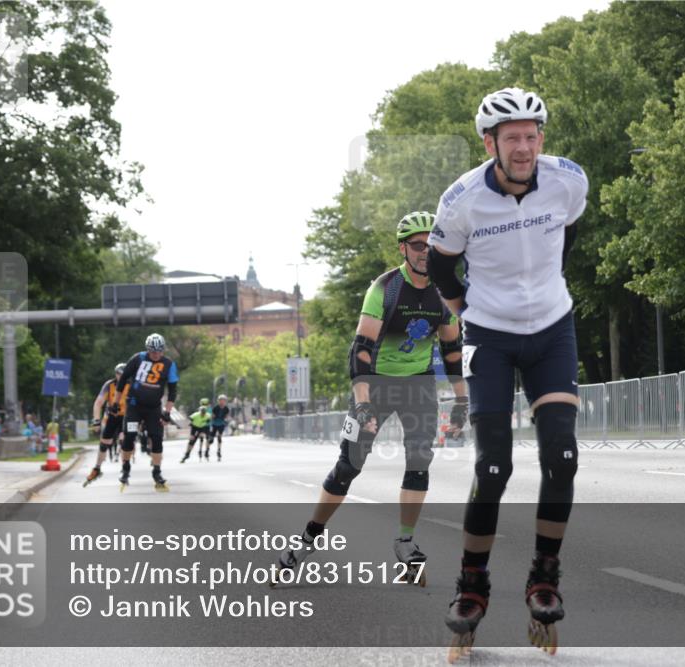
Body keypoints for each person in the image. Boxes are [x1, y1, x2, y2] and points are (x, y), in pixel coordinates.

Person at [427, 87, 587, 657]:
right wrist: (468, 313)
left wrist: (540, 294)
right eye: (512, 137)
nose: (524, 147)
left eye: (532, 135)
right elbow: (442, 268)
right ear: (489, 142)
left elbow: (567, 238)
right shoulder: (462, 201)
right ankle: (472, 585)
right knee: (493, 467)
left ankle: (544, 575)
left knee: (562, 456)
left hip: (552, 330)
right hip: (489, 336)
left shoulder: (568, 180)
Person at [273, 212, 467, 587]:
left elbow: (452, 351)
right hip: (374, 384)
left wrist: (461, 402)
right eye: (417, 245)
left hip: (418, 385)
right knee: (349, 466)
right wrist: (362, 405)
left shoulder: (446, 291)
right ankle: (308, 537)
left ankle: (406, 544)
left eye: (432, 245)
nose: (425, 252)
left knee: (419, 462)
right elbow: (360, 351)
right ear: (403, 249)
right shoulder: (385, 288)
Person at [112, 333, 179, 491]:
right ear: (147, 349)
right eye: (152, 351)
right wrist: (116, 402)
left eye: (159, 351)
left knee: (156, 438)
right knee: (129, 436)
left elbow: (173, 391)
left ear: (163, 350)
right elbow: (122, 381)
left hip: (153, 407)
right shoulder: (138, 358)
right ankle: (126, 469)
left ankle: (157, 472)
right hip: (135, 405)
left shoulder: (169, 364)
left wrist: (167, 412)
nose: (156, 355)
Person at [83, 363, 128, 487]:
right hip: (112, 417)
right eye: (119, 375)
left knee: (124, 442)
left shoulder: (131, 385)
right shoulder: (109, 385)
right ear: (116, 375)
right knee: (104, 445)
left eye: (124, 375)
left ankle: (124, 469)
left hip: (126, 417)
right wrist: (96, 420)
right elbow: (98, 403)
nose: (122, 377)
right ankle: (97, 468)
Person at [210, 395, 229, 461]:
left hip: (221, 424)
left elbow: (226, 416)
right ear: (218, 401)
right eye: (221, 400)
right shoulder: (215, 408)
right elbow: (212, 416)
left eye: (223, 401)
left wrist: (225, 420)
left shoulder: (226, 408)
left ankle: (219, 451)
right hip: (215, 424)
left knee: (219, 437)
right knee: (211, 439)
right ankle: (207, 449)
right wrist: (214, 417)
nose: (222, 402)